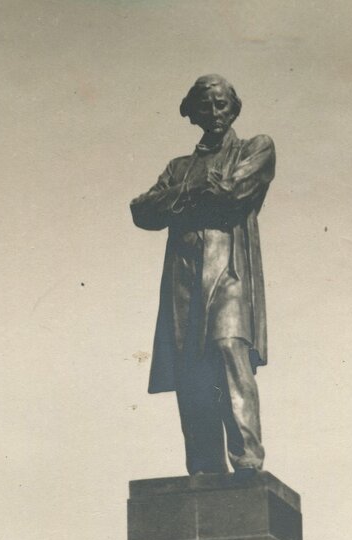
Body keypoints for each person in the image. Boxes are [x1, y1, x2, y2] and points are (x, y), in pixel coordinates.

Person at [131, 75, 275, 476]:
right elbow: (142, 212)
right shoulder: (179, 166)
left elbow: (231, 193)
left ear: (234, 108)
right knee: (191, 365)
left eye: (222, 105)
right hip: (184, 276)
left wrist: (178, 198)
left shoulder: (256, 148)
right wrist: (196, 192)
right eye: (205, 106)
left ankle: (248, 458)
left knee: (229, 346)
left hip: (227, 270)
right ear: (191, 113)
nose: (214, 113)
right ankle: (206, 468)